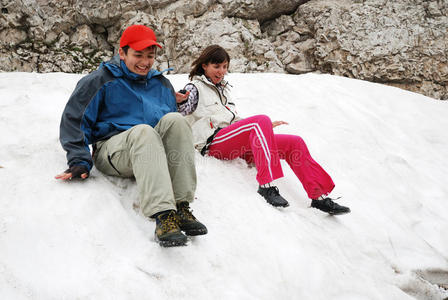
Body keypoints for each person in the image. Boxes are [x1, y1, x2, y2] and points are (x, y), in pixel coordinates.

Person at [55, 24, 207, 247]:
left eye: (150, 56)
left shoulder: (161, 84)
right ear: (122, 53)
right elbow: (75, 120)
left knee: (177, 120)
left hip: (148, 152)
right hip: (113, 150)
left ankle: (182, 206)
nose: (145, 62)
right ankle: (164, 215)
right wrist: (79, 159)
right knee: (143, 132)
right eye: (138, 55)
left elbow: (170, 129)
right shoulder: (100, 80)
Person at [177, 45, 350, 215]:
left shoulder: (224, 91)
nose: (221, 71)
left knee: (294, 143)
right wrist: (178, 101)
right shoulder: (195, 88)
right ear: (204, 66)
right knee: (260, 120)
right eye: (216, 66)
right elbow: (184, 105)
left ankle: (318, 196)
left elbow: (232, 122)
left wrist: (265, 128)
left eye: (224, 67)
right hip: (213, 142)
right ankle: (266, 185)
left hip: (232, 141)